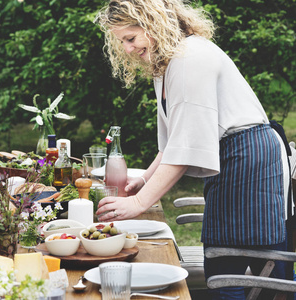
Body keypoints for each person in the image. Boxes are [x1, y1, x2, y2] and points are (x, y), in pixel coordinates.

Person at [94, 0, 291, 298]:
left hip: (247, 156)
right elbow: (176, 140)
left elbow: (187, 147)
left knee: (239, 261)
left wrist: (137, 204)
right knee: (224, 257)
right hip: (233, 154)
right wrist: (145, 180)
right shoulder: (169, 62)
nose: (127, 49)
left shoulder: (190, 57)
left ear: (153, 24)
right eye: (122, 42)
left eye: (131, 38)